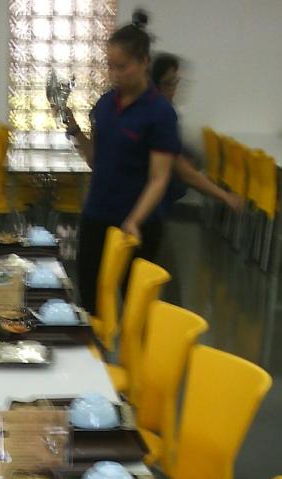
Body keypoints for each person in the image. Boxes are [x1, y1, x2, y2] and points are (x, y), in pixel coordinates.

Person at [65, 11, 180, 315]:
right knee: (89, 300)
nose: (114, 74)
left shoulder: (159, 113)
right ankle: (95, 344)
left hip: (137, 223)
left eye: (122, 66)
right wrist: (74, 129)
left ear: (144, 62)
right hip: (96, 215)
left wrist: (134, 220)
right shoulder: (105, 104)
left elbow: (159, 178)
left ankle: (133, 347)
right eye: (110, 66)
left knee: (134, 304)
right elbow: (95, 159)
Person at [151, 52, 243, 215]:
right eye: (170, 83)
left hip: (151, 198)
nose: (175, 89)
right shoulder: (158, 115)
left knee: (193, 156)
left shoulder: (164, 111)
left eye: (176, 81)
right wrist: (225, 196)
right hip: (147, 202)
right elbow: (184, 172)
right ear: (155, 84)